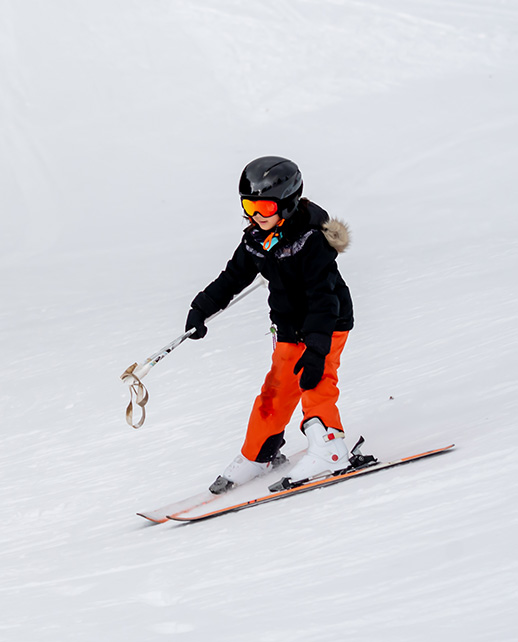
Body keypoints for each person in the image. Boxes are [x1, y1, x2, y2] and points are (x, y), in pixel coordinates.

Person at [185, 156, 354, 493]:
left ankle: (331, 447)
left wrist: (318, 346)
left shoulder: (310, 239)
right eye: (249, 206)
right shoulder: (256, 239)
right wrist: (200, 308)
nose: (255, 215)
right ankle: (258, 454)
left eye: (263, 206)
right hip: (289, 329)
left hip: (326, 324)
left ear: (288, 202)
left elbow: (323, 296)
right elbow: (232, 278)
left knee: (315, 380)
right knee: (275, 392)